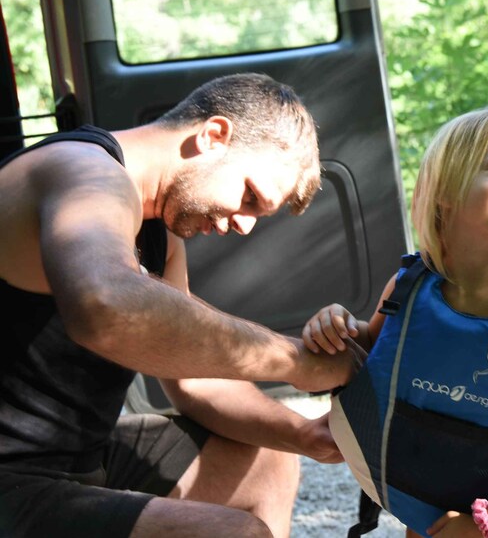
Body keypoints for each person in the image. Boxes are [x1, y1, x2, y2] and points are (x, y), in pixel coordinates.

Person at [0, 72, 363, 538]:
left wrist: (306, 435)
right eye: (250, 197)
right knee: (234, 534)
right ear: (213, 136)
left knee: (267, 461)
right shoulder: (82, 173)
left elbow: (194, 382)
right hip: (12, 478)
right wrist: (293, 361)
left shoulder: (160, 230)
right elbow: (104, 308)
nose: (244, 226)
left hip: (75, 463)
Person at [304, 108, 488, 537]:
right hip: (428, 510)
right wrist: (335, 326)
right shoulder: (408, 288)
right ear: (445, 190)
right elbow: (370, 367)